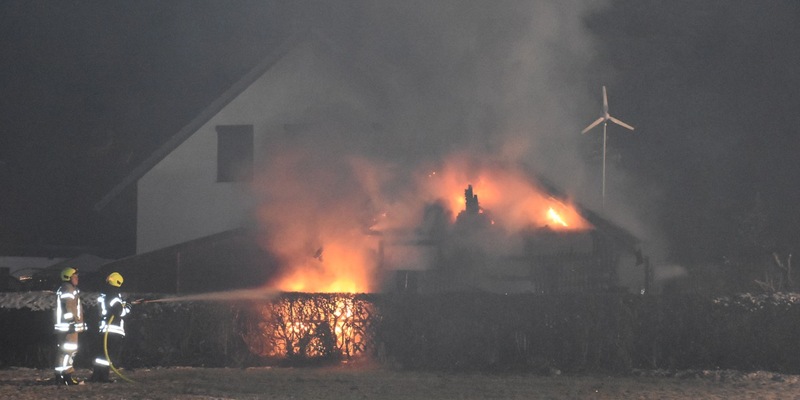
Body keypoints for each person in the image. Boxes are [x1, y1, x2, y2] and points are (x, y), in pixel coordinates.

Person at [90, 272, 131, 383]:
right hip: (113, 329)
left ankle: (96, 376)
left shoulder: (105, 294)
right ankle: (103, 377)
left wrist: (123, 304)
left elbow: (110, 308)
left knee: (101, 355)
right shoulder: (113, 295)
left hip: (105, 328)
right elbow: (119, 312)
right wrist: (127, 308)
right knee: (108, 355)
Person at [54, 267, 87, 385]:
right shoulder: (68, 289)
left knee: (63, 352)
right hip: (69, 327)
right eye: (75, 276)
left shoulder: (66, 289)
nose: (77, 278)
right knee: (69, 351)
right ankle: (66, 376)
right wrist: (72, 322)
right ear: (68, 277)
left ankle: (60, 376)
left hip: (65, 327)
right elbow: (67, 308)